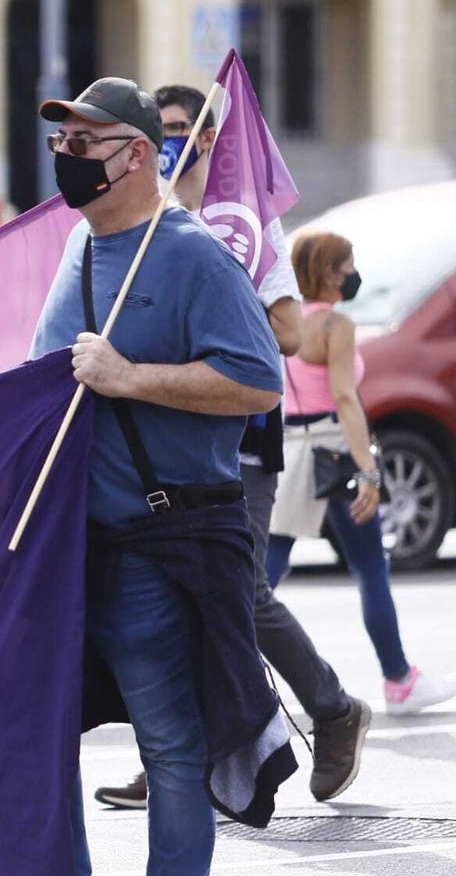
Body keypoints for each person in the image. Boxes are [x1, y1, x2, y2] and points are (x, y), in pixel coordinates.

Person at [0, 79, 289, 876]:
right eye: (64, 137)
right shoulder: (78, 245)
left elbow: (259, 384)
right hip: (68, 545)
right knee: (38, 726)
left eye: (87, 139)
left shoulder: (190, 256)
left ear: (137, 155)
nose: (67, 154)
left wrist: (132, 376)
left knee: (171, 744)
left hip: (163, 539)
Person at [94, 85, 370, 811]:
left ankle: (333, 709)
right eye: (163, 131)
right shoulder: (135, 223)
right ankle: (173, 756)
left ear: (211, 141)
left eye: (185, 129)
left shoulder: (243, 228)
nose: (173, 142)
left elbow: (288, 336)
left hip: (238, 443)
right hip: (156, 444)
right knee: (163, 595)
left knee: (240, 595)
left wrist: (214, 291)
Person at [266, 230, 456, 715]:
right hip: (334, 447)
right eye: (347, 266)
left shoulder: (282, 323)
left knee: (264, 576)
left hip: (290, 446)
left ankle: (227, 675)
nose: (353, 275)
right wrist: (370, 472)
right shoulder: (335, 325)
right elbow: (346, 398)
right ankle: (398, 679)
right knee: (370, 567)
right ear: (330, 272)